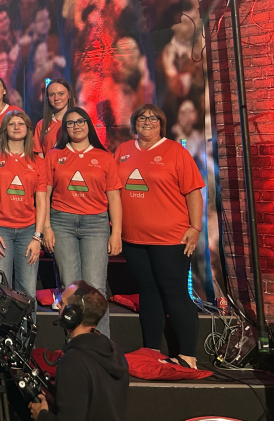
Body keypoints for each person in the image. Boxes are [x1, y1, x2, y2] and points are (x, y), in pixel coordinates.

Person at [115, 103, 204, 367]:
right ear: (135, 122)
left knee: (175, 293)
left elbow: (193, 192)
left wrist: (195, 227)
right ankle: (151, 350)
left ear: (161, 123)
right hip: (133, 238)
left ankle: (188, 355)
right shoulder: (123, 151)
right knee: (148, 292)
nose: (147, 122)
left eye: (153, 118)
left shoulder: (175, 151)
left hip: (171, 238)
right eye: (142, 118)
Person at [42, 107, 122, 337]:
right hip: (62, 223)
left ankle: (101, 346)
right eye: (70, 123)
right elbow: (44, 195)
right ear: (64, 129)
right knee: (71, 289)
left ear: (88, 125)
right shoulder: (54, 156)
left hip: (96, 225)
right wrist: (46, 227)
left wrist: (115, 232)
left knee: (96, 289)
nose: (76, 126)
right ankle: (75, 347)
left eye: (80, 121)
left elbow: (114, 197)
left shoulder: (104, 157)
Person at [29, 282, 129, 421]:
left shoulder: (73, 361)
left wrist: (41, 415)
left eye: (62, 303)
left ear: (71, 314)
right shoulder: (114, 350)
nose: (57, 306)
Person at [0, 111, 49, 303]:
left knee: (27, 291)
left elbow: (41, 201)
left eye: (21, 123)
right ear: (4, 129)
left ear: (28, 130)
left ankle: (25, 334)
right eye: (11, 124)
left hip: (28, 232)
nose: (16, 127)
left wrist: (37, 237)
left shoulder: (38, 162)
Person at [35, 79, 74, 157]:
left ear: (69, 95)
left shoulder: (79, 122)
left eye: (61, 94)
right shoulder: (41, 125)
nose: (56, 98)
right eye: (52, 95)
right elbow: (40, 157)